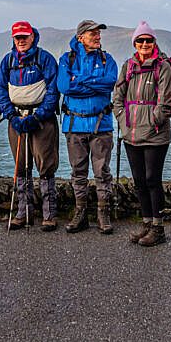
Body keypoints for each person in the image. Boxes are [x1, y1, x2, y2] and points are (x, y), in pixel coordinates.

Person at [112, 22, 171, 247]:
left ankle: (158, 227)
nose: (145, 44)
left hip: (155, 133)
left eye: (148, 40)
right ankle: (147, 223)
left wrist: (153, 120)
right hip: (131, 132)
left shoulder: (163, 67)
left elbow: (166, 99)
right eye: (140, 40)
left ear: (154, 42)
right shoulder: (128, 66)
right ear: (135, 43)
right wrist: (122, 120)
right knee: (139, 181)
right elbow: (118, 96)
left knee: (152, 179)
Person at [0, 21, 60, 231]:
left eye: (25, 36)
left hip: (41, 120)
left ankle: (49, 214)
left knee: (46, 165)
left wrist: (39, 116)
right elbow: (0, 90)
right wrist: (11, 116)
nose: (21, 41)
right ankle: (24, 212)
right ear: (13, 39)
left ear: (33, 37)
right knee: (20, 166)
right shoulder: (8, 61)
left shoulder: (45, 59)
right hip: (17, 118)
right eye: (17, 37)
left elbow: (53, 91)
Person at [57, 20, 119, 234]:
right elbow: (65, 86)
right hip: (74, 123)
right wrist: (93, 82)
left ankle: (103, 213)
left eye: (98, 33)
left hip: (101, 124)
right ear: (80, 36)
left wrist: (80, 81)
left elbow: (110, 83)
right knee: (78, 171)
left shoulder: (107, 59)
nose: (97, 37)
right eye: (92, 33)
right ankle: (80, 213)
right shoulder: (67, 59)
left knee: (102, 172)